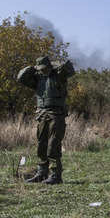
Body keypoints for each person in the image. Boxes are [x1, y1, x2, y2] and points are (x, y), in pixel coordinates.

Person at [17, 56, 75, 184]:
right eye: (40, 69)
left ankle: (55, 175)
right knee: (41, 145)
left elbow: (70, 69)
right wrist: (31, 68)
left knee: (53, 145)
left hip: (56, 114)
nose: (42, 71)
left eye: (44, 68)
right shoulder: (38, 78)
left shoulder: (59, 76)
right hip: (42, 113)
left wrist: (55, 64)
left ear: (49, 67)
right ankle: (42, 173)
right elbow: (20, 78)